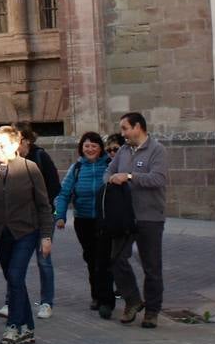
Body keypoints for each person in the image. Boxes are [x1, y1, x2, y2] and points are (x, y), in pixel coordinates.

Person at [0, 126, 54, 344]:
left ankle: (13, 326)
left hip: (26, 232)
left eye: (2, 145)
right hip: (1, 233)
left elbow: (43, 205)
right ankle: (28, 327)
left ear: (16, 144)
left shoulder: (30, 168)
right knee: (14, 279)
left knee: (16, 275)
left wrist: (46, 236)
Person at [105, 112, 169, 329]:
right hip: (124, 217)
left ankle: (152, 311)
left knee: (151, 267)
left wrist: (130, 177)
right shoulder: (123, 151)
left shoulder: (157, 150)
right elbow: (109, 172)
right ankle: (133, 300)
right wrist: (112, 179)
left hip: (150, 217)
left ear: (138, 127)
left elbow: (158, 179)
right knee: (116, 259)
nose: (122, 133)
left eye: (125, 128)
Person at [53, 132, 115, 317]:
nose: (90, 149)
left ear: (100, 148)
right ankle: (96, 295)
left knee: (103, 260)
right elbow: (63, 194)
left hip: (105, 220)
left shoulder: (109, 166)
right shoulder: (77, 168)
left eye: (94, 146)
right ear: (82, 148)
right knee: (91, 259)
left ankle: (106, 300)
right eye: (87, 146)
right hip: (84, 221)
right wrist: (60, 216)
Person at [18, 127, 61, 320]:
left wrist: (41, 204)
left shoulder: (40, 157)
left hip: (42, 216)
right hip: (21, 218)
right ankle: (13, 300)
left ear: (27, 140)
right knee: (17, 261)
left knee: (44, 259)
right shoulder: (12, 159)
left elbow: (55, 186)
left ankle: (46, 302)